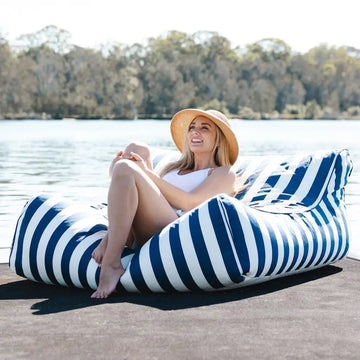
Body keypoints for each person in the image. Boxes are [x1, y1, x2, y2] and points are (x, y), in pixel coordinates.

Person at [91, 108, 241, 299]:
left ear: (219, 139)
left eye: (205, 128)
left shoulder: (223, 173)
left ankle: (111, 263)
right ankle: (113, 235)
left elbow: (190, 203)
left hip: (173, 231)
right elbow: (146, 192)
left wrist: (143, 172)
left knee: (125, 168)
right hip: (147, 221)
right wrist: (125, 170)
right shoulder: (173, 168)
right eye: (192, 127)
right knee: (137, 149)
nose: (195, 131)